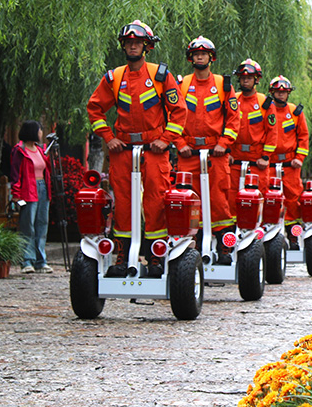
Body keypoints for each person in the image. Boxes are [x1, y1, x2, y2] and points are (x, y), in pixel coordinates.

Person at [87, 20, 187, 278]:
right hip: (122, 150)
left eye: (137, 43)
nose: (133, 47)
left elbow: (179, 113)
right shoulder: (114, 77)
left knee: (156, 201)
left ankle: (155, 258)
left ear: (147, 47)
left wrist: (165, 140)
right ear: (123, 45)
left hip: (154, 150)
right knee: (122, 203)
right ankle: (121, 258)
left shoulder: (160, 75)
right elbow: (95, 108)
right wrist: (108, 137)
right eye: (129, 43)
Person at [176, 36, 240, 264]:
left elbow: (234, 120)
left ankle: (224, 247)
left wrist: (224, 144)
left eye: (204, 53)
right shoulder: (181, 85)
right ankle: (189, 247)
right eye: (196, 54)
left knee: (219, 199)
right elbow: (172, 115)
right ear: (190, 57)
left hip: (216, 154)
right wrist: (180, 143)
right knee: (188, 200)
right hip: (188, 153)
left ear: (211, 57)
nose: (200, 56)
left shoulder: (223, 85)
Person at [228, 59, 277, 210]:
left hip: (257, 159)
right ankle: (233, 230)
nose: (245, 81)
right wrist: (227, 151)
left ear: (256, 79)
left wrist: (265, 156)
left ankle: (256, 230)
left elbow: (272, 131)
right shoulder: (233, 99)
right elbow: (227, 125)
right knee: (231, 196)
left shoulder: (265, 103)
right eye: (243, 78)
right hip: (234, 157)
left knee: (258, 195)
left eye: (249, 78)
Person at [267, 75, 309, 249]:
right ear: (272, 92)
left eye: (284, 92)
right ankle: (269, 233)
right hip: (268, 164)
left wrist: (299, 159)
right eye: (278, 92)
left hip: (290, 165)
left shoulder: (295, 112)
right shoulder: (265, 110)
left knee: (293, 200)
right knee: (269, 198)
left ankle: (293, 236)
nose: (281, 95)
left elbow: (303, 136)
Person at [10, 120, 53, 274]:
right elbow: (15, 174)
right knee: (28, 225)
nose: (41, 133)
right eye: (39, 130)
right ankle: (27, 260)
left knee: (42, 224)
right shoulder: (19, 150)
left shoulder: (40, 150)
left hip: (43, 188)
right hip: (28, 189)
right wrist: (16, 194)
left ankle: (41, 261)